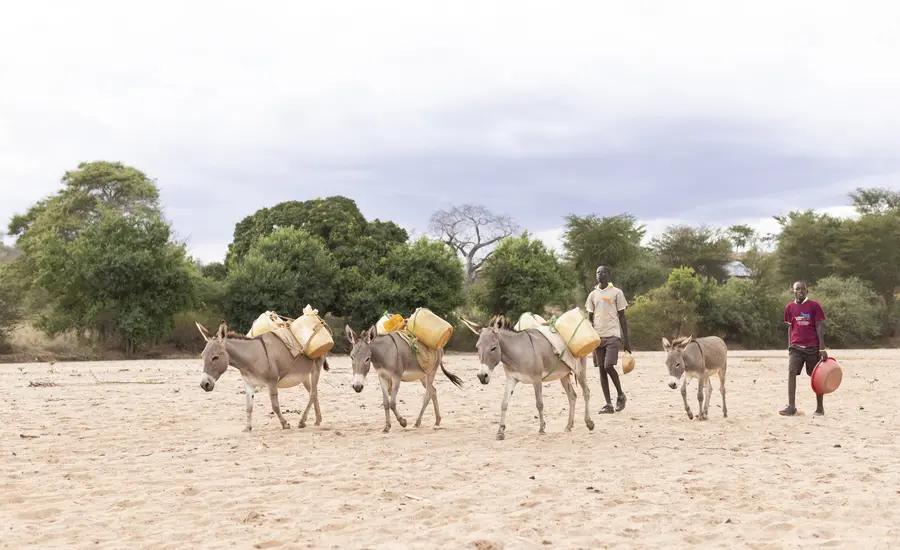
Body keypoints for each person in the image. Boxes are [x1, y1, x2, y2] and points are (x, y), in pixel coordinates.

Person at [585, 265, 632, 414]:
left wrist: (627, 340)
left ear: (608, 274)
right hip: (597, 337)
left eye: (603, 272)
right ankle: (608, 404)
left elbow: (622, 317)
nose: (600, 274)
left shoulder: (616, 293)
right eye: (598, 272)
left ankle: (620, 395)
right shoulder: (592, 295)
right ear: (596, 276)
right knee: (601, 370)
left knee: (608, 365)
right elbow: (590, 317)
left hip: (613, 335)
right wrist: (589, 336)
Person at [779, 280, 828, 417]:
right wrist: (789, 346)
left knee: (816, 376)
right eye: (797, 289)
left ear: (807, 291)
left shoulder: (814, 306)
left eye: (803, 289)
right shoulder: (789, 307)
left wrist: (822, 349)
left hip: (812, 347)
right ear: (793, 291)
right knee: (791, 372)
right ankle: (791, 407)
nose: (800, 291)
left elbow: (819, 327)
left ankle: (820, 408)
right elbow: (790, 327)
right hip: (796, 348)